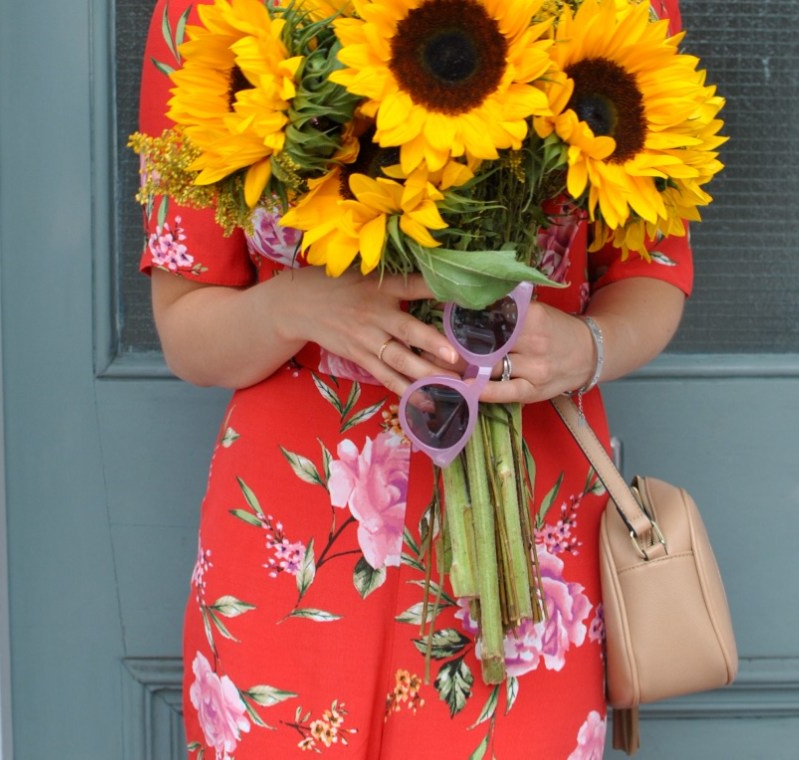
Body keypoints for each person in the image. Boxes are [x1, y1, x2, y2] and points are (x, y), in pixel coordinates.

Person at [138, 0, 691, 756]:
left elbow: (652, 273)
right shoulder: (214, 17)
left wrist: (585, 349)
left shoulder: (616, 13)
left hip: (529, 545)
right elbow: (186, 331)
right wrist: (297, 306)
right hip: (293, 538)